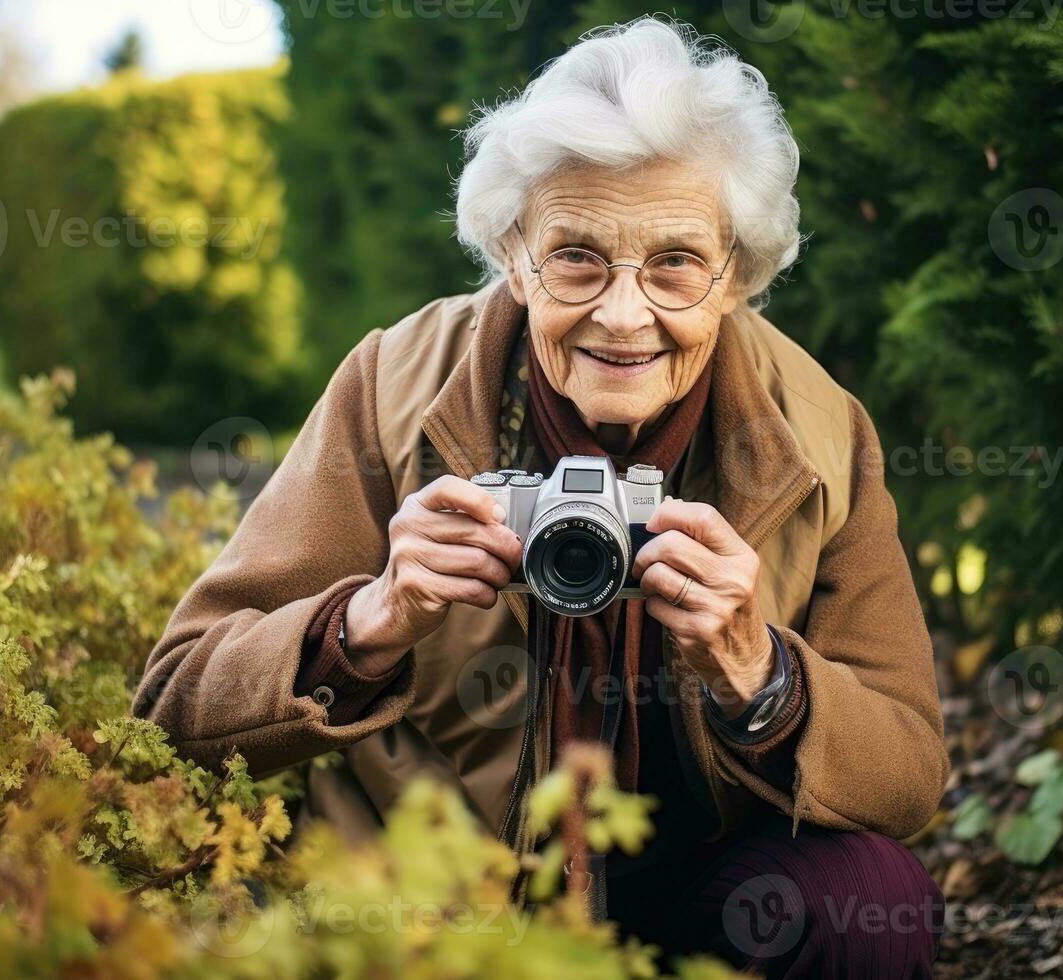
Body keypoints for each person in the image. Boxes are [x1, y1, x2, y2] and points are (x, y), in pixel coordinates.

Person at [134, 18, 949, 978]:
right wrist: (371, 619)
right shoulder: (392, 387)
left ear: (739, 275)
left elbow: (908, 770)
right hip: (448, 900)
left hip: (710, 886)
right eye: (576, 256)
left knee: (870, 902)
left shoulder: (818, 432)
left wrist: (763, 673)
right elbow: (172, 709)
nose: (621, 311)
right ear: (514, 257)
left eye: (676, 263)